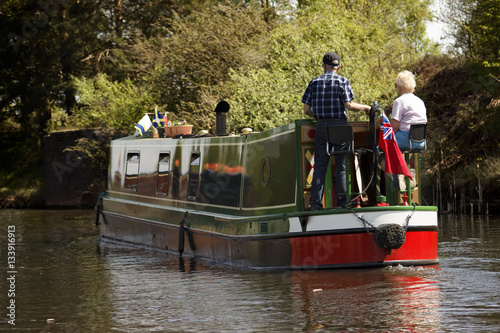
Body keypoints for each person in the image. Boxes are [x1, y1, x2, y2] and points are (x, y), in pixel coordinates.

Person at [302, 52, 371, 210]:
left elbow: (306, 110)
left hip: (321, 126)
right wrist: (366, 107)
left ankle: (315, 204)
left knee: (320, 165)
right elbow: (349, 105)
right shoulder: (343, 81)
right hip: (339, 126)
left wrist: (319, 116)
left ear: (323, 66)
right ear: (339, 67)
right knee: (341, 166)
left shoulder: (313, 83)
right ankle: (342, 204)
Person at [391, 70, 427, 151]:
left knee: (382, 147)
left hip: (405, 140)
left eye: (396, 85)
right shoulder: (420, 101)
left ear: (400, 87)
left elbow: (394, 127)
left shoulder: (399, 101)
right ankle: (407, 163)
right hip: (421, 141)